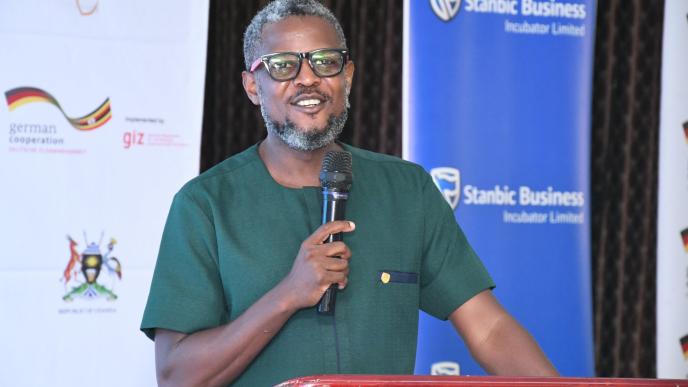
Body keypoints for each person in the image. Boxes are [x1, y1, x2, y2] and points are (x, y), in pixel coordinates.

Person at [140, 0, 558, 386]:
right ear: (253, 87)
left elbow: (488, 327)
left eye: (325, 62)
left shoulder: (407, 190)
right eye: (284, 65)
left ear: (348, 77)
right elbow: (178, 376)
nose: (308, 79)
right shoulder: (205, 204)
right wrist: (288, 294)